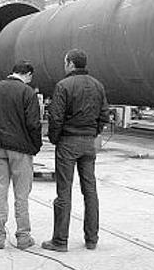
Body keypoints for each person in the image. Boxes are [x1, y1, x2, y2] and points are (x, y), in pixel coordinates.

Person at [42, 49, 110, 252]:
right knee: (90, 191)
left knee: (64, 191)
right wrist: (92, 133)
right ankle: (92, 239)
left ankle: (60, 241)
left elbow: (56, 116)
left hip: (68, 142)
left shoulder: (64, 85)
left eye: (65, 62)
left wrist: (56, 139)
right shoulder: (98, 85)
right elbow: (104, 114)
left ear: (71, 63)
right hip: (89, 143)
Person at [0, 61, 42, 250]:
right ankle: (23, 237)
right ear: (28, 75)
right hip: (20, 149)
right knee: (21, 194)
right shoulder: (27, 92)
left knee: (0, 190)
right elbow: (34, 123)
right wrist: (35, 146)